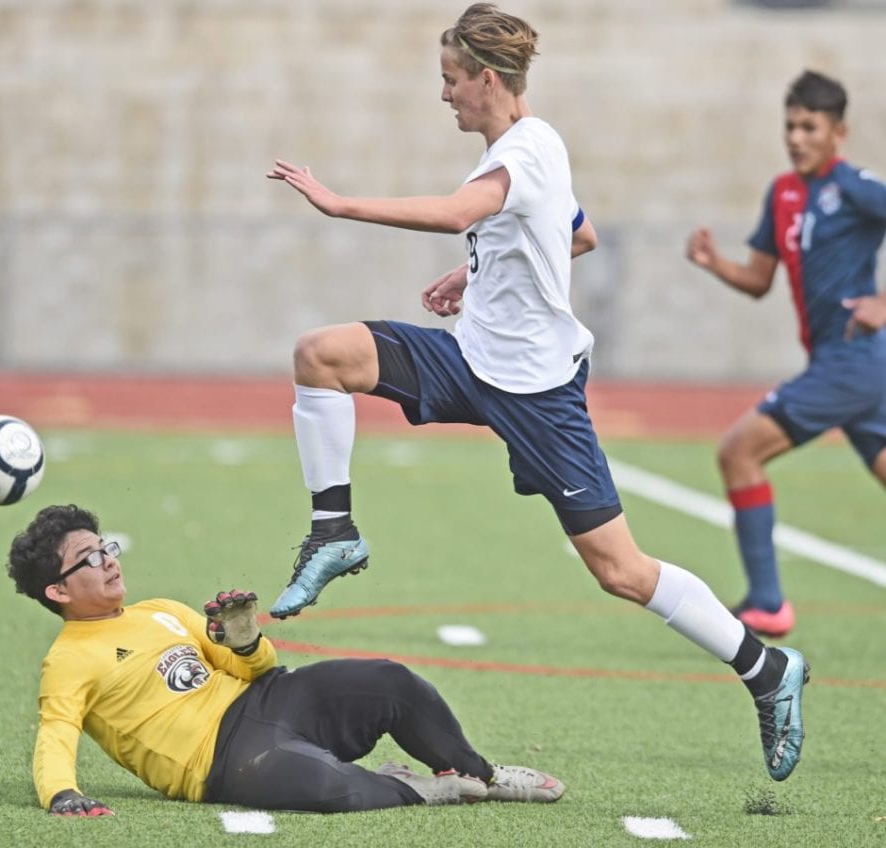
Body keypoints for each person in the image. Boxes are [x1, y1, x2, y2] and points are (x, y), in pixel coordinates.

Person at [266, 3, 809, 782]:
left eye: (451, 80)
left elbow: (461, 210)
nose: (444, 94)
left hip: (538, 394)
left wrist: (338, 201)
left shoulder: (521, 154)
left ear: (489, 79)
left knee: (620, 570)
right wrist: (478, 267)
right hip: (470, 360)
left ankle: (765, 669)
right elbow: (575, 233)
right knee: (320, 355)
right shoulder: (527, 150)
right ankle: (333, 533)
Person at [7, 504, 566, 816]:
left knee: (389, 681)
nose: (108, 560)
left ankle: (482, 774)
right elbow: (56, 733)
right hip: (222, 762)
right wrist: (63, 793)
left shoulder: (161, 611)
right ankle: (420, 789)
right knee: (326, 786)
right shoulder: (68, 660)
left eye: (106, 547)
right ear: (57, 592)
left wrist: (246, 642)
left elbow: (257, 671)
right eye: (89, 558)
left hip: (269, 699)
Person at [687, 69, 886, 637]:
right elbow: (758, 279)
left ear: (838, 131)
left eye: (810, 127)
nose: (797, 137)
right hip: (845, 366)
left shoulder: (854, 187)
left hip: (853, 361)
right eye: (790, 126)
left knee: (738, 452)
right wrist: (714, 263)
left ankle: (768, 602)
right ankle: (766, 599)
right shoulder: (783, 193)